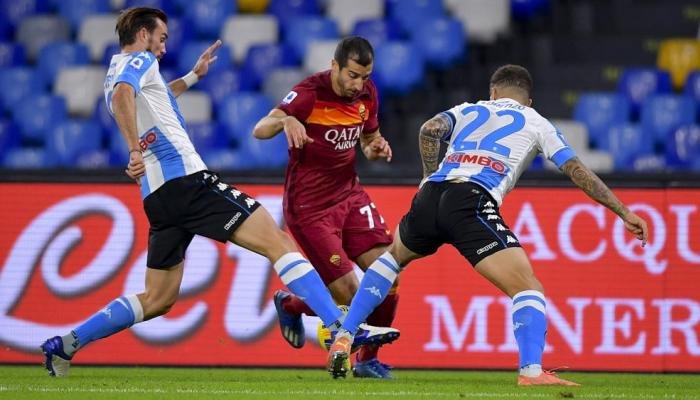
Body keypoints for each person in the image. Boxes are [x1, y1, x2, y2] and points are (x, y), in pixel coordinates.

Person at [39, 7, 398, 377]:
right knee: (278, 242)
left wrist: (194, 76)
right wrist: (133, 149)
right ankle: (339, 329)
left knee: (157, 298)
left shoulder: (119, 70)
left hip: (158, 197)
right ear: (144, 35)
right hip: (187, 181)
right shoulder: (138, 62)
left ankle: (66, 343)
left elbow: (156, 95)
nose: (163, 48)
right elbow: (124, 95)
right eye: (161, 38)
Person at [326, 64, 649, 384]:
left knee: (392, 259)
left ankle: (347, 333)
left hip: (432, 194)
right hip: (471, 199)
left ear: (493, 92)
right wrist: (623, 212)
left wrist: (427, 176)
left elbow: (429, 129)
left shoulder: (469, 109)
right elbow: (576, 170)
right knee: (527, 287)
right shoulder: (537, 121)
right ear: (529, 100)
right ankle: (532, 372)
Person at [252, 36, 399, 378]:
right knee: (348, 292)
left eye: (364, 76)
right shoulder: (309, 94)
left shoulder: (367, 93)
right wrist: (286, 120)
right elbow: (260, 129)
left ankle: (367, 360)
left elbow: (366, 139)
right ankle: (291, 304)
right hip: (310, 208)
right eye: (351, 75)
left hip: (349, 195)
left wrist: (375, 147)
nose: (358, 84)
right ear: (334, 65)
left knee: (388, 273)